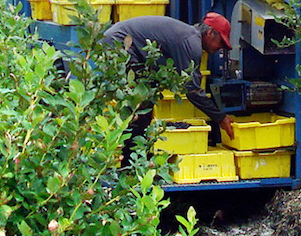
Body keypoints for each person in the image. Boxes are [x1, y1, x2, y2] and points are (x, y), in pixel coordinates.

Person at [101, 13, 236, 164]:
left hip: (122, 43)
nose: (220, 48)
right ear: (210, 33)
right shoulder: (192, 43)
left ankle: (133, 162)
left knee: (144, 106)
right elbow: (193, 91)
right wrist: (220, 118)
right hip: (118, 43)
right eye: (221, 43)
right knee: (138, 106)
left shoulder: (188, 37)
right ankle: (130, 166)